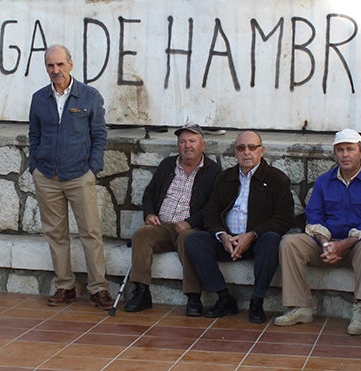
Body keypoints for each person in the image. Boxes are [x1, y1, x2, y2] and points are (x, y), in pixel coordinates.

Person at [275, 129, 361, 335]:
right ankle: (300, 306)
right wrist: (325, 242)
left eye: (350, 149)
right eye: (340, 150)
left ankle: (360, 308)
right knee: (289, 243)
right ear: (335, 154)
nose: (345, 155)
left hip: (356, 245)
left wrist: (344, 244)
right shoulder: (324, 181)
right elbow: (314, 215)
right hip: (326, 244)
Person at [28, 44, 113, 309]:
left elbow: (99, 135)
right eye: (51, 66)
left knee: (90, 232)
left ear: (71, 64)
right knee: (56, 234)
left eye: (60, 65)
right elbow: (34, 135)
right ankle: (65, 286)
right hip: (47, 176)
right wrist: (35, 166)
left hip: (79, 175)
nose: (56, 70)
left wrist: (92, 169)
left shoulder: (88, 96)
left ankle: (98, 288)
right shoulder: (39, 98)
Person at [185, 131, 294, 323]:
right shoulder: (225, 178)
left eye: (252, 147)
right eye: (241, 148)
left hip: (257, 241)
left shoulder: (277, 179)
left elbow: (284, 219)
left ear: (262, 151)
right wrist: (222, 236)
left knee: (272, 240)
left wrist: (251, 235)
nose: (246, 152)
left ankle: (257, 301)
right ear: (235, 152)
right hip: (228, 241)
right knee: (193, 240)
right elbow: (210, 212)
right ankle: (224, 297)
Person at [123, 123, 221, 315]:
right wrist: (150, 214)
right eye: (182, 141)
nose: (187, 146)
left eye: (192, 141)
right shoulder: (168, 165)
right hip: (163, 225)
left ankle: (193, 297)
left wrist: (190, 223)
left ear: (203, 144)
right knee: (142, 234)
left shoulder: (213, 171)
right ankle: (142, 292)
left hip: (190, 227)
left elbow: (213, 207)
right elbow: (149, 193)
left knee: (189, 239)